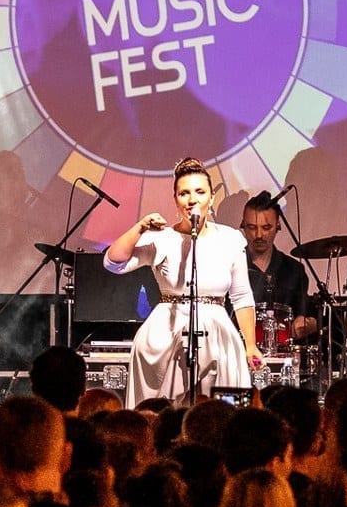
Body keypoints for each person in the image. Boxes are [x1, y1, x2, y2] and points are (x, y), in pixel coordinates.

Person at [104, 158, 261, 405]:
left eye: (200, 192)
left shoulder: (231, 239)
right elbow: (114, 262)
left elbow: (241, 296)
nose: (192, 199)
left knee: (220, 409)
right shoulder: (162, 238)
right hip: (166, 331)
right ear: (175, 199)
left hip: (217, 329)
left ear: (211, 197)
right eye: (184, 193)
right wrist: (140, 227)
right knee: (163, 414)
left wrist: (250, 345)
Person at [240, 192, 319, 346]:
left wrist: (308, 323)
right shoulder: (232, 266)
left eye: (266, 227)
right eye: (252, 227)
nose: (259, 235)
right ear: (243, 226)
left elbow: (306, 315)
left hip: (285, 359)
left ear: (278, 226)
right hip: (239, 355)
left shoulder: (294, 270)